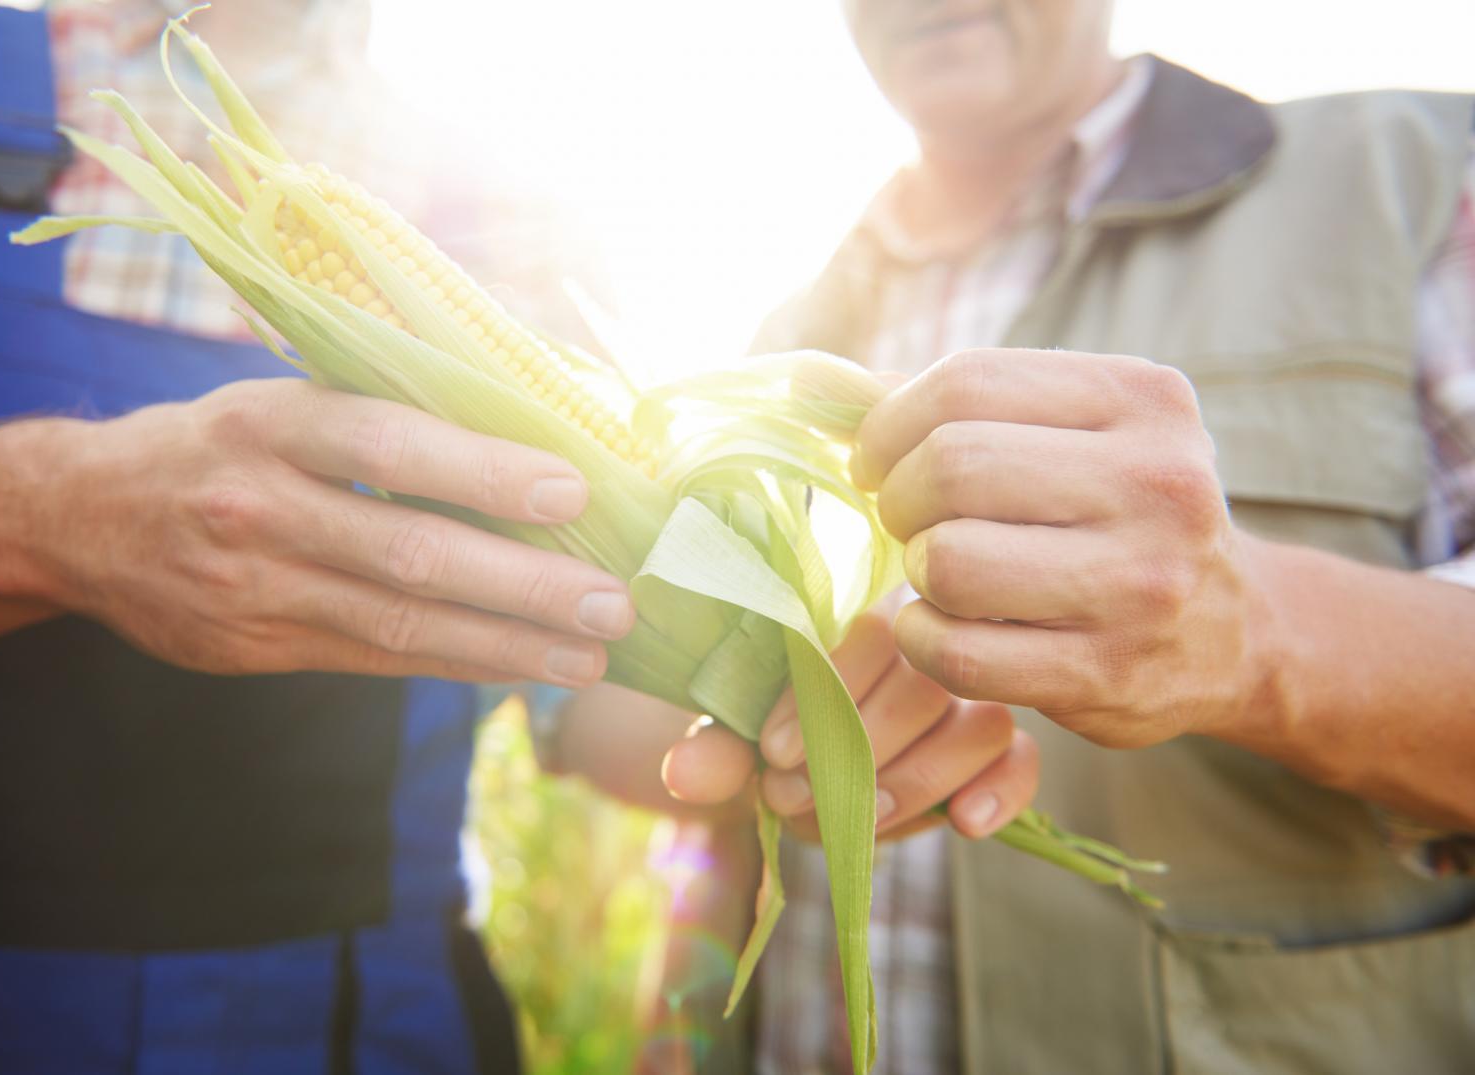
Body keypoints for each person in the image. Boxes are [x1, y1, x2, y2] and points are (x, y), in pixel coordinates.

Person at [561, 1, 1475, 1072]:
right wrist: (785, 729)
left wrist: (1253, 632)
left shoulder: (1411, 180)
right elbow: (621, 751)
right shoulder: (783, 334)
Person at [0, 2, 634, 1071]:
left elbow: (596, 682)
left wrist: (820, 697)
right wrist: (39, 511)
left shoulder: (501, 194)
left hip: (367, 1020)